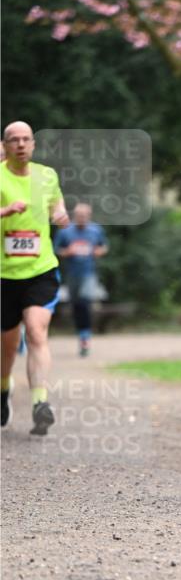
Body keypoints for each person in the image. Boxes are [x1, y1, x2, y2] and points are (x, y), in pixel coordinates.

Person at [1, 121, 69, 433]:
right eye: (13, 139)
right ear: (5, 145)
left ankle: (41, 403)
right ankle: (3, 392)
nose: (20, 144)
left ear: (33, 144)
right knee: (6, 347)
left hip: (40, 270)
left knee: (36, 332)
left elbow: (57, 203)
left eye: (25, 139)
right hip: (4, 274)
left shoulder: (47, 175)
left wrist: (60, 214)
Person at [55, 202, 108, 356]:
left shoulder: (96, 230)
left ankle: (85, 336)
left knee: (85, 302)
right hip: (72, 274)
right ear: (74, 216)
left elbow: (103, 246)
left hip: (89, 273)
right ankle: (82, 334)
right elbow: (56, 250)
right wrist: (67, 252)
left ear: (89, 216)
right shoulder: (65, 232)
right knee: (77, 305)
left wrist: (99, 251)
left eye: (84, 216)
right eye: (79, 216)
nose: (82, 219)